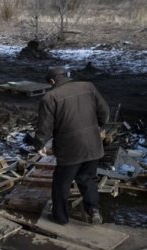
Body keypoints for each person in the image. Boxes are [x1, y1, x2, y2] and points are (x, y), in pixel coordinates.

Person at [34, 67, 110, 225]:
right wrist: (99, 128)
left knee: (61, 183)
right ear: (66, 76)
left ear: (52, 81)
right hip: (93, 145)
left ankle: (60, 218)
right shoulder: (88, 86)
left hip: (70, 149)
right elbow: (104, 112)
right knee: (87, 178)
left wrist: (40, 144)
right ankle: (94, 210)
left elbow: (44, 126)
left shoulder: (50, 97)